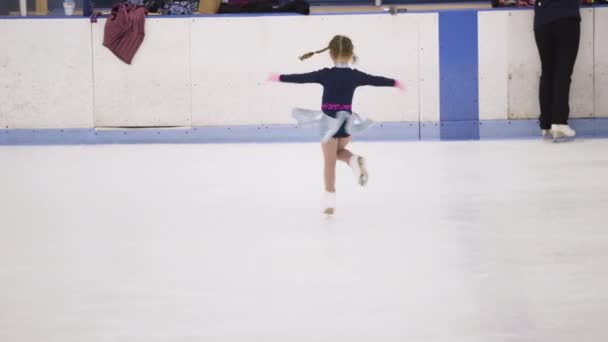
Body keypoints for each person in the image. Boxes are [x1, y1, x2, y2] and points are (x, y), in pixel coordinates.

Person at [269, 35, 404, 215]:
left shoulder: (325, 74)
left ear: (330, 54)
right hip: (347, 122)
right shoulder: (356, 76)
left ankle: (329, 201)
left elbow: (301, 78)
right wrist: (395, 82)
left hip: (329, 123)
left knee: (329, 162)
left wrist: (280, 77)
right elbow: (376, 80)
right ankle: (353, 160)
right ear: (350, 54)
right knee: (339, 153)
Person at [534, 0, 581, 140]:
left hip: (542, 19)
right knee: (563, 72)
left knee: (547, 72)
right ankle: (559, 121)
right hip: (566, 16)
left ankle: (546, 123)